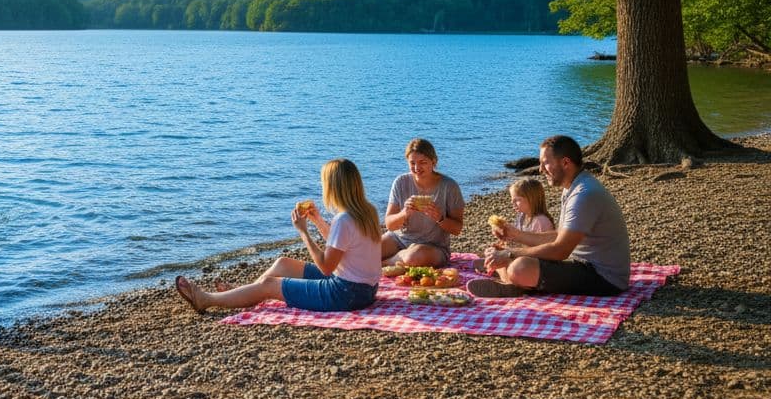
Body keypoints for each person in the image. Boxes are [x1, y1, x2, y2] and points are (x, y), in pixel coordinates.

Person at [173, 158, 383, 314]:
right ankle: (240, 293)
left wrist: (303, 232)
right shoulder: (366, 211)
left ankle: (207, 299)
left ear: (333, 187)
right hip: (365, 290)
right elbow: (341, 244)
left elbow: (326, 267)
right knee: (283, 263)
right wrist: (317, 220)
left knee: (269, 285)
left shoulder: (343, 219)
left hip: (345, 295)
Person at [469, 135, 631, 298]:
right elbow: (560, 235)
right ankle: (508, 275)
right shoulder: (573, 187)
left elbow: (560, 250)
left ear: (565, 163)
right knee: (509, 256)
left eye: (545, 163)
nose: (540, 169)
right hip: (583, 264)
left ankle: (513, 282)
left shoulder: (584, 194)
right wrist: (514, 235)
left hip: (605, 278)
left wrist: (510, 254)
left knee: (520, 266)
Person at [381, 138, 465, 267]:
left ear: (434, 162)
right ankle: (397, 260)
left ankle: (383, 264)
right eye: (412, 162)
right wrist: (404, 213)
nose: (417, 168)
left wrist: (440, 218)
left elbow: (457, 229)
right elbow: (390, 225)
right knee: (365, 252)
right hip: (398, 239)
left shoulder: (449, 186)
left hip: (432, 247)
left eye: (422, 162)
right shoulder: (401, 182)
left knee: (413, 257)